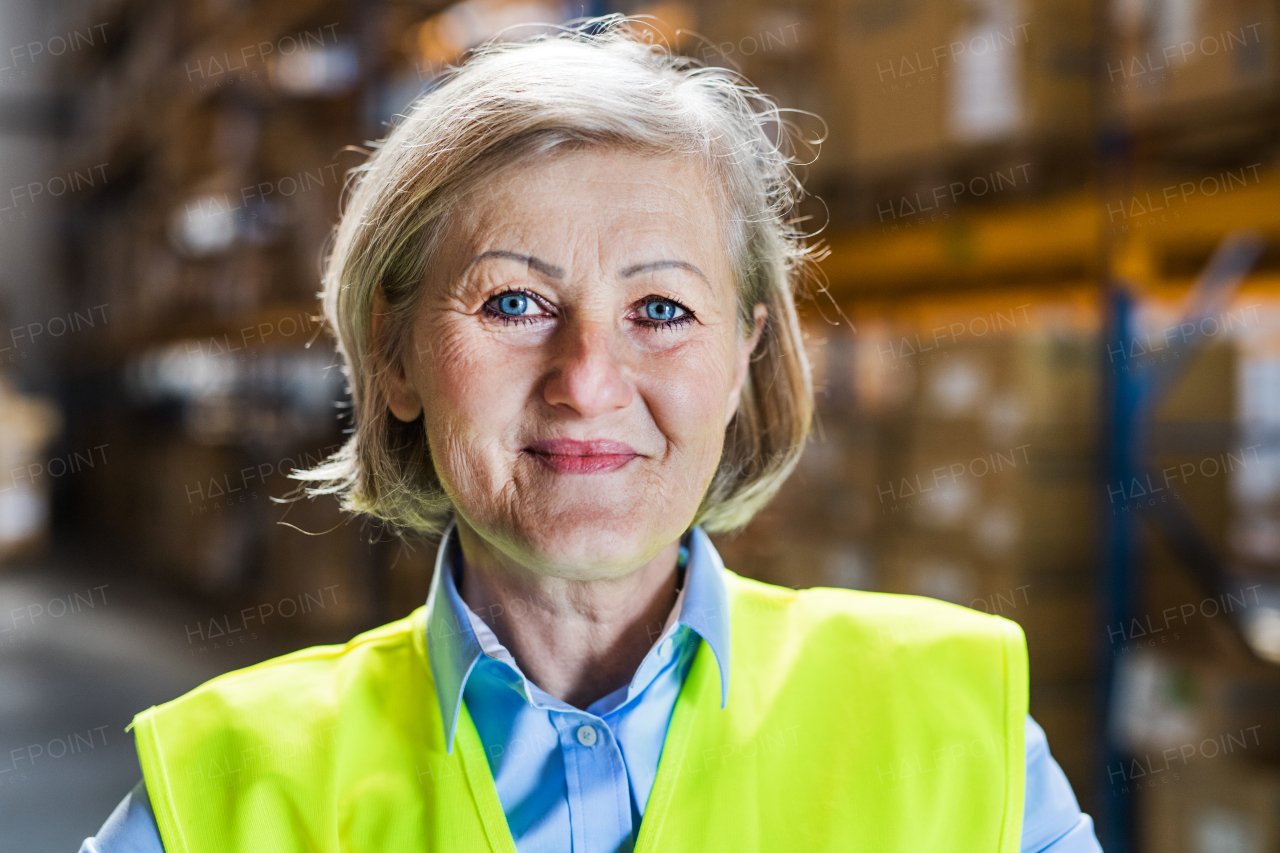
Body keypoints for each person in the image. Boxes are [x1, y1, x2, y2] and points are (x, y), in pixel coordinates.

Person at [81, 18, 1103, 853]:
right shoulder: (226, 790)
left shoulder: (953, 730)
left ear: (742, 359)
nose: (586, 382)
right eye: (515, 303)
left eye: (659, 310)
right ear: (392, 358)